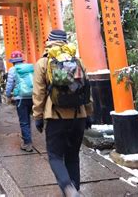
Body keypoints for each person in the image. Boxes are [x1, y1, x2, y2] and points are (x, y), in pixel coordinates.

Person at [32, 29, 92, 197]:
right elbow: (87, 90)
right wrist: (88, 113)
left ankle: (68, 188)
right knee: (73, 156)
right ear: (65, 42)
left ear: (49, 41)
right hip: (78, 116)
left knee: (55, 156)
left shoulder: (43, 63)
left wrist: (37, 117)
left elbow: (39, 94)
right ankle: (75, 190)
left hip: (55, 117)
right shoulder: (78, 61)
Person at [5, 51, 34, 152]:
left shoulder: (13, 70)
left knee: (23, 121)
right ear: (22, 60)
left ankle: (27, 143)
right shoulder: (29, 67)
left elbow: (9, 84)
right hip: (32, 96)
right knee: (28, 118)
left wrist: (8, 95)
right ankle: (28, 137)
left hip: (20, 97)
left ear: (13, 61)